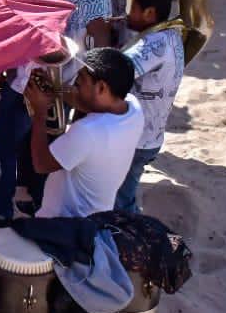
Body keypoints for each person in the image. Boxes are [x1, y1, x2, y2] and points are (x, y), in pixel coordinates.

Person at [25, 48, 144, 218]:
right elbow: (88, 103)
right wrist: (56, 89)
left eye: (79, 83)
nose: (74, 86)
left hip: (65, 222)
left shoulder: (88, 131)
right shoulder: (133, 108)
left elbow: (42, 164)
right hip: (98, 217)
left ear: (101, 87)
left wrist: (39, 113)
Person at [115, 0, 185, 214]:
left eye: (132, 8)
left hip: (137, 139)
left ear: (149, 13)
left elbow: (115, 73)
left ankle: (132, 243)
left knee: (119, 202)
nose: (127, 13)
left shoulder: (154, 44)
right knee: (124, 194)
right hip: (149, 137)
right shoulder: (171, 34)